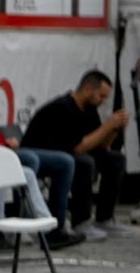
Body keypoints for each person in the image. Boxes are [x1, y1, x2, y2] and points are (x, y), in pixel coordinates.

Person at [0, 62, 82, 249]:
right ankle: (22, 223)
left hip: (2, 150)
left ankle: (55, 226)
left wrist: (4, 140)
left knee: (65, 161)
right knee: (28, 161)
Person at [21, 70, 132, 241]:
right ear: (88, 89)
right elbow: (78, 148)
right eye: (101, 96)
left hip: (68, 155)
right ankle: (81, 220)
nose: (103, 101)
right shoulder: (62, 108)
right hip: (43, 155)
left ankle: (105, 217)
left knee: (115, 159)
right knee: (83, 163)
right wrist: (107, 126)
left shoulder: (89, 109)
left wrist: (114, 129)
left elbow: (103, 145)